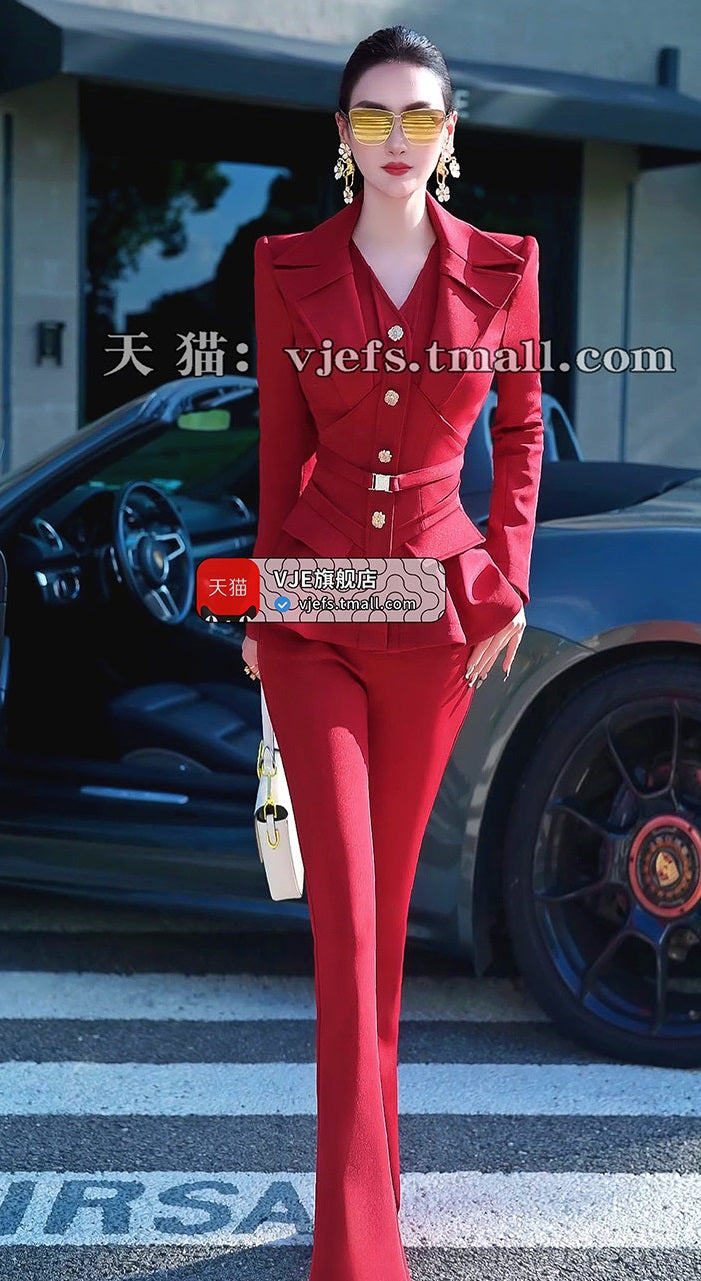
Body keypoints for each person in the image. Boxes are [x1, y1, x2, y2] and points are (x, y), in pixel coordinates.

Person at [241, 24, 544, 1281]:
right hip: (315, 607)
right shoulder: (284, 267)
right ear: (342, 135)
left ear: (448, 135)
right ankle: (358, 1252)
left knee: (382, 933)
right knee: (345, 934)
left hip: (432, 620)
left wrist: (506, 583)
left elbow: (520, 432)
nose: (396, 137)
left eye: (418, 114)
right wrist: (262, 607)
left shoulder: (508, 267)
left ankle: (372, 1187)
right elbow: (278, 446)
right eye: (372, 114)